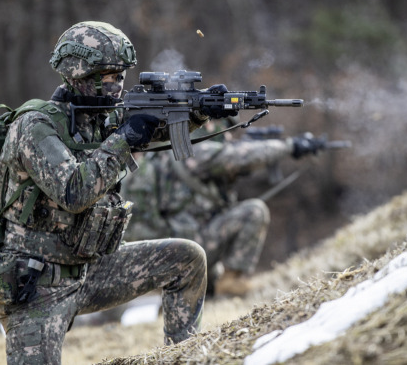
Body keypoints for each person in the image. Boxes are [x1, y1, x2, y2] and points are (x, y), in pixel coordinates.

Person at [0, 21, 232, 364]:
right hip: (37, 286)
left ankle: (183, 357)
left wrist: (199, 109)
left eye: (121, 75)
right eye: (109, 75)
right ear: (78, 74)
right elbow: (74, 192)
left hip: (92, 269)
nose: (117, 84)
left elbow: (156, 127)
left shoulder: (101, 118)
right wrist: (125, 138)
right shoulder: (35, 126)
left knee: (187, 259)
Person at [121, 121, 325, 297]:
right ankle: (231, 279)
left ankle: (188, 293)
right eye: (225, 129)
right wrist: (290, 146)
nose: (227, 135)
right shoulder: (195, 152)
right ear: (209, 126)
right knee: (254, 210)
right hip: (185, 252)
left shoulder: (164, 155)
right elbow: (240, 157)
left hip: (161, 256)